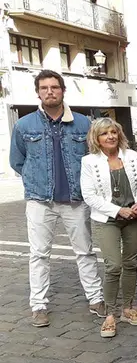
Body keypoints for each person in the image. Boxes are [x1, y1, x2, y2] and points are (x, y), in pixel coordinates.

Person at [9, 69, 104, 327]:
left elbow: (94, 159)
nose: (49, 92)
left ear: (63, 90)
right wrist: (35, 179)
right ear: (38, 92)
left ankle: (95, 298)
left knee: (85, 251)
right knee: (39, 254)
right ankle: (38, 305)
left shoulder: (84, 124)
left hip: (75, 199)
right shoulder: (24, 125)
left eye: (54, 87)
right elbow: (17, 161)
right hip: (40, 200)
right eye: (44, 88)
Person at [80, 118, 137, 338]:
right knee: (113, 266)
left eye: (113, 132)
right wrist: (118, 211)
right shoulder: (89, 161)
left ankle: (127, 307)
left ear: (119, 134)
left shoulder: (132, 156)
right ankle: (110, 314)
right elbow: (89, 195)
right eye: (104, 134)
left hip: (134, 217)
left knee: (130, 263)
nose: (110, 136)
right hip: (106, 219)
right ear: (96, 139)